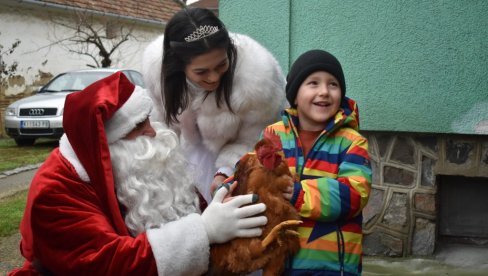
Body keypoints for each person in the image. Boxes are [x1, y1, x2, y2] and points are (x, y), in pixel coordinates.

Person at [9, 72, 268, 275]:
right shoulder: (54, 191)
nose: (153, 131)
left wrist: (218, 208)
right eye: (138, 126)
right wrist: (204, 230)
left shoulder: (131, 163)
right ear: (106, 142)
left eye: (148, 118)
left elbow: (181, 207)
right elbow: (106, 264)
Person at [142, 7, 287, 203]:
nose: (214, 77)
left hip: (238, 161)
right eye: (201, 72)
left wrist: (225, 172)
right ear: (177, 66)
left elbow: (255, 139)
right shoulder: (156, 70)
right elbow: (161, 127)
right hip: (182, 156)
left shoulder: (257, 80)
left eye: (221, 65)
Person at [259, 49, 372, 275]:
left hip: (331, 267)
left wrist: (299, 194)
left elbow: (354, 193)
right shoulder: (273, 134)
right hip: (279, 263)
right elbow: (252, 169)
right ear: (295, 94)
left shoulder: (351, 142)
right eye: (313, 83)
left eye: (333, 84)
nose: (324, 92)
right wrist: (228, 184)